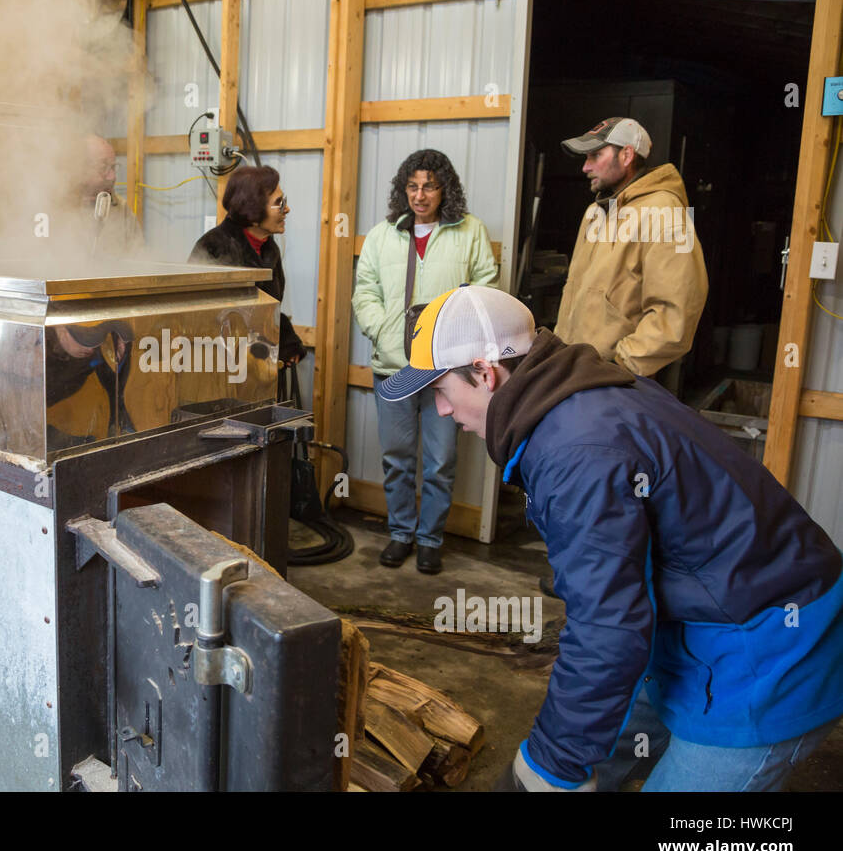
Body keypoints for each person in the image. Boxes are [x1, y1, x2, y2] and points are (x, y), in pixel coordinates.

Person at [378, 284, 843, 791]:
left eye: (442, 391)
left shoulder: (576, 449)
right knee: (602, 743)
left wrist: (549, 769)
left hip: (771, 646)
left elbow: (608, 627)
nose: (442, 412)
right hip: (702, 616)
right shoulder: (577, 392)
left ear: (486, 375)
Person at [352, 149, 497, 574]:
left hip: (445, 372)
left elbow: (485, 289)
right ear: (404, 190)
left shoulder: (470, 232)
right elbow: (365, 290)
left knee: (440, 460)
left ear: (444, 189)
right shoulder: (383, 234)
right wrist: (380, 328)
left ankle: (430, 539)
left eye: (429, 186)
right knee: (397, 457)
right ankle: (400, 533)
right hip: (394, 368)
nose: (420, 195)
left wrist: (458, 339)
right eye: (412, 186)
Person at [555, 117, 708, 377]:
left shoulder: (669, 213)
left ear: (626, 155)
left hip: (616, 381)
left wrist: (619, 365)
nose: (585, 167)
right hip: (574, 373)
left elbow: (675, 313)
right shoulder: (596, 210)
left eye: (595, 155)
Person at [189, 165, 305, 372]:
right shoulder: (212, 247)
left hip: (257, 368)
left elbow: (269, 307)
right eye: (279, 203)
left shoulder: (270, 250)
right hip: (218, 369)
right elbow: (199, 321)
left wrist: (287, 341)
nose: (286, 209)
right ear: (253, 212)